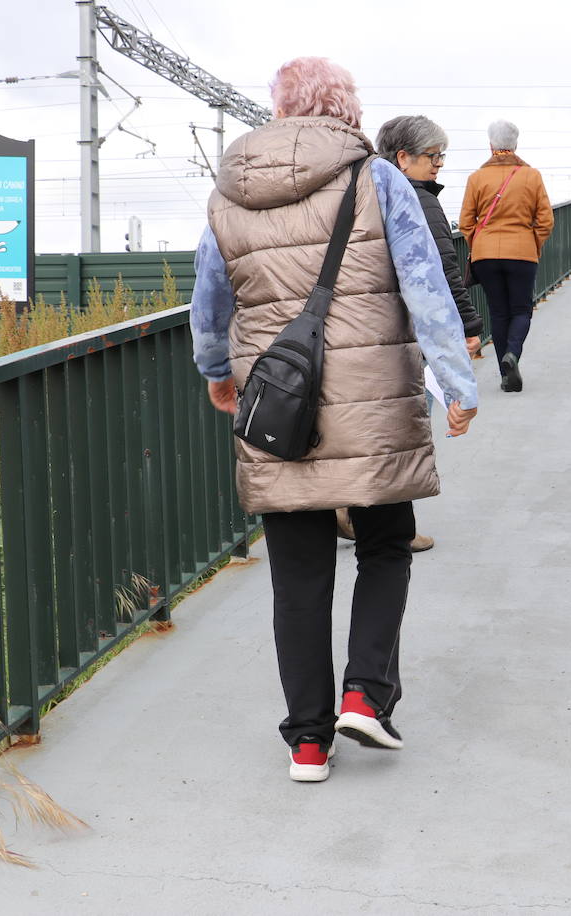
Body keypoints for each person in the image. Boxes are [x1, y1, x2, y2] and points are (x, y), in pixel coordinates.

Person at [189, 57, 478, 783]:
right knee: (385, 544)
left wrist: (219, 375)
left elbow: (209, 302)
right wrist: (456, 383)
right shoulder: (377, 177)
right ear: (347, 111)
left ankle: (308, 743)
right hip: (373, 398)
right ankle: (366, 695)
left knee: (298, 573)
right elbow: (424, 282)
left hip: (278, 399)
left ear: (280, 110)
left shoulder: (230, 191)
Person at [333, 115, 484, 554]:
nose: (439, 165)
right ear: (403, 158)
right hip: (399, 336)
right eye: (432, 156)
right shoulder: (419, 200)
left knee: (357, 427)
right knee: (406, 428)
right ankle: (397, 527)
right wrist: (469, 328)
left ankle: (345, 507)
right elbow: (440, 273)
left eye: (442, 156)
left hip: (350, 332)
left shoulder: (356, 192)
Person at [459, 119, 554, 393]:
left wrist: (479, 244)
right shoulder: (531, 176)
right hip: (522, 253)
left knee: (499, 313)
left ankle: (505, 375)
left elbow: (466, 221)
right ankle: (513, 353)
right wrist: (531, 243)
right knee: (522, 309)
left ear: (491, 145)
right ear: (516, 145)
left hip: (486, 256)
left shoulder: (477, 178)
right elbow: (545, 221)